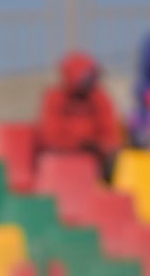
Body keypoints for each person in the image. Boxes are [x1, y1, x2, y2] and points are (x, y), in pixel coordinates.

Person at [36, 52, 124, 181]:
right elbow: (50, 137)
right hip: (62, 160)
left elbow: (111, 134)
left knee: (115, 159)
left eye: (94, 76)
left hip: (95, 160)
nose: (93, 81)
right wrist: (80, 145)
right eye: (88, 77)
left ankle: (105, 188)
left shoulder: (100, 97)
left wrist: (101, 146)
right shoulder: (55, 98)